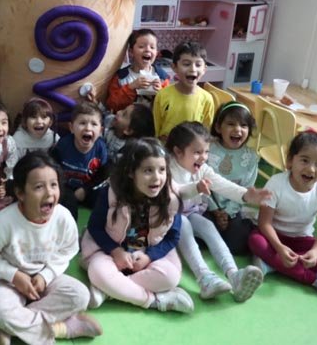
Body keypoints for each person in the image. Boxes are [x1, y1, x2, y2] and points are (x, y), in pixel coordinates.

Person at [0, 153, 102, 345]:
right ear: (20, 193)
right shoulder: (3, 222)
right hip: (10, 283)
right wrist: (14, 275)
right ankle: (63, 328)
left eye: (54, 185)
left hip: (47, 279)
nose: (49, 193)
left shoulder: (63, 217)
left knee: (81, 295)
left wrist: (46, 276)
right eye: (38, 187)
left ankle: (6, 328)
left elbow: (68, 250)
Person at [81, 138, 194, 313]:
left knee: (170, 277)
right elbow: (95, 227)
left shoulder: (170, 198)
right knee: (97, 271)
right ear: (131, 172)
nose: (157, 177)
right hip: (110, 252)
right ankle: (155, 301)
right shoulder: (111, 193)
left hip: (149, 254)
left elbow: (173, 237)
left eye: (162, 170)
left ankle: (109, 291)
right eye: (148, 170)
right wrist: (116, 251)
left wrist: (149, 257)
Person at [167, 121, 270, 302]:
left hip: (191, 212)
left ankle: (234, 274)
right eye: (197, 152)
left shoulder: (202, 168)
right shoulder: (167, 167)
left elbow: (222, 184)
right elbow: (176, 192)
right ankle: (204, 278)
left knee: (207, 226)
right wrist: (196, 188)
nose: (203, 157)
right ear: (178, 151)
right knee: (183, 224)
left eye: (206, 152)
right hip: (169, 217)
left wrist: (246, 195)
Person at [248, 131, 317, 299]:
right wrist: (279, 247)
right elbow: (264, 223)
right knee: (255, 241)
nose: (311, 169)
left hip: (302, 242)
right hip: (273, 237)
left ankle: (271, 264)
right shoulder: (276, 183)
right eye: (304, 160)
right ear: (290, 161)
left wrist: (315, 252)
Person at [206, 102, 259, 255]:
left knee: (237, 245)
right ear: (218, 127)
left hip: (233, 210)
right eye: (231, 124)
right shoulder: (207, 149)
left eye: (244, 125)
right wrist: (216, 211)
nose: (237, 129)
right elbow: (200, 183)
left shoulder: (251, 157)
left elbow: (246, 190)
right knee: (200, 230)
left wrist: (228, 213)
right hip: (208, 207)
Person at [50, 101, 108, 221]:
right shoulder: (63, 145)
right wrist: (66, 189)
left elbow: (102, 174)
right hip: (66, 188)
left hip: (88, 188)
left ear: (100, 131)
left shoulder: (100, 148)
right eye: (82, 123)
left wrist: (86, 190)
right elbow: (54, 168)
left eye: (94, 124)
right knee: (66, 205)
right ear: (71, 128)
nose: (88, 128)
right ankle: (70, 228)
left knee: (105, 199)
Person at [152, 41, 214, 139]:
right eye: (186, 64)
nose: (193, 69)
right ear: (174, 67)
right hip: (166, 147)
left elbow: (206, 133)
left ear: (204, 69)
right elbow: (156, 129)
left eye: (198, 65)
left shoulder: (207, 99)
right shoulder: (162, 95)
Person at [106, 29, 170, 112]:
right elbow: (112, 106)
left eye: (152, 47)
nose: (148, 50)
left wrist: (160, 93)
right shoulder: (121, 77)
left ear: (156, 53)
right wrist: (131, 87)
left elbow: (168, 107)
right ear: (131, 51)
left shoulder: (162, 77)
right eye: (141, 46)